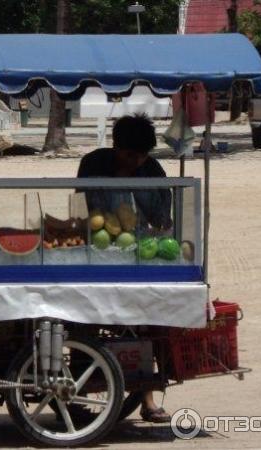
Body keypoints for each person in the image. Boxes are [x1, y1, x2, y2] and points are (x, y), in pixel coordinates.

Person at [77, 114, 172, 423]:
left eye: (142, 154)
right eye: (131, 154)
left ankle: (147, 397)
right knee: (81, 319)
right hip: (98, 252)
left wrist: (154, 231)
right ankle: (77, 391)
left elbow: (162, 217)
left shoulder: (153, 170)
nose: (136, 160)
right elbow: (83, 206)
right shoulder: (93, 164)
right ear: (116, 147)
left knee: (145, 322)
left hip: (140, 255)